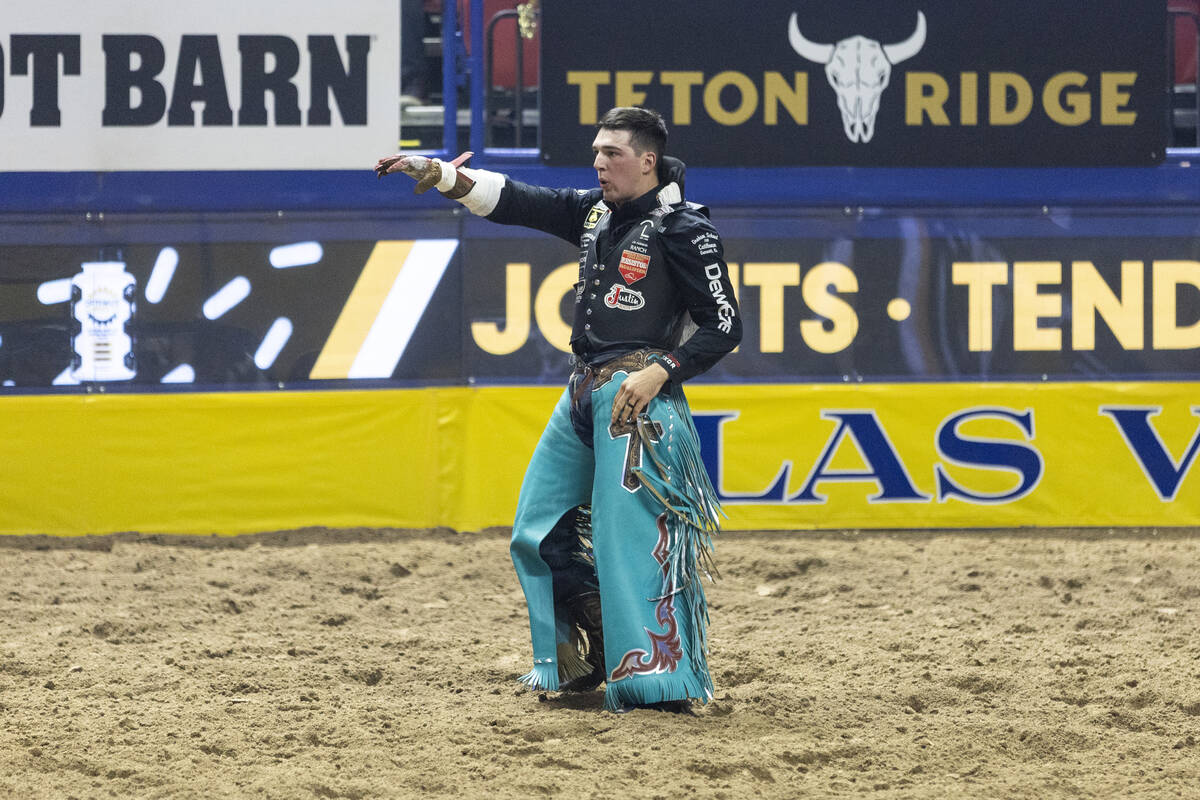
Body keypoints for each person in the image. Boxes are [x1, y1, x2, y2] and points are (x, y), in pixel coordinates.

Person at [375, 107, 742, 713]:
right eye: (596, 151)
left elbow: (723, 325)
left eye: (613, 154)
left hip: (637, 401)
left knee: (633, 542)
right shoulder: (596, 213)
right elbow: (521, 201)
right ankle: (585, 659)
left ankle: (657, 683)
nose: (599, 162)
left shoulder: (684, 228)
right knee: (536, 531)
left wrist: (662, 370)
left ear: (647, 161)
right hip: (583, 391)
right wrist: (440, 174)